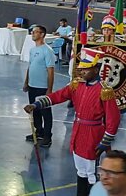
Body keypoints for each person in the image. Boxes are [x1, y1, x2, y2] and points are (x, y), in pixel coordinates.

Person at [24, 48, 121, 196]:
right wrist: (36, 105)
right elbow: (58, 96)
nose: (81, 72)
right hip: (78, 132)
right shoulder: (77, 85)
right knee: (80, 170)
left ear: (96, 69)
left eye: (85, 70)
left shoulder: (104, 91)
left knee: (91, 173)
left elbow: (113, 119)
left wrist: (104, 142)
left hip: (93, 135)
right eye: (81, 69)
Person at [23, 25, 55, 148]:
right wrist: (26, 82)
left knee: (45, 113)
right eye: (32, 32)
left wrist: (49, 89)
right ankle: (39, 132)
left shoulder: (47, 51)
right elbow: (30, 66)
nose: (33, 34)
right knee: (34, 111)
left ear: (42, 34)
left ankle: (47, 136)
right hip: (32, 86)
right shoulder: (32, 50)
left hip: (42, 87)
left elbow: (50, 71)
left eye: (35, 32)